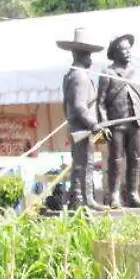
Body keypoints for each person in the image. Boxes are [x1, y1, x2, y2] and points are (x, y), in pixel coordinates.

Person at [98, 33, 140, 208]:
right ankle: (114, 195)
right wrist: (103, 123)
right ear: (115, 52)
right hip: (116, 124)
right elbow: (100, 102)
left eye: (129, 49)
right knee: (116, 159)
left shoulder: (137, 73)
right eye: (124, 49)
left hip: (136, 123)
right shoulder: (107, 73)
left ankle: (132, 194)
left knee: (136, 159)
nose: (128, 52)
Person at [58, 27, 103, 210]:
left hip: (79, 127)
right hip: (82, 128)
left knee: (81, 163)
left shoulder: (72, 74)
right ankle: (83, 198)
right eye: (88, 55)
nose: (90, 59)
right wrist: (93, 124)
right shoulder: (80, 76)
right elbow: (79, 105)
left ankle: (81, 198)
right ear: (81, 55)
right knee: (85, 164)